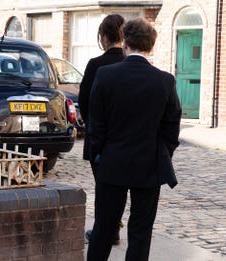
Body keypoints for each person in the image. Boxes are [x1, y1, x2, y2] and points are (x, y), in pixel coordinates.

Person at [86, 18, 182, 260]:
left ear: (126, 43)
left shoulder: (106, 75)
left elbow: (96, 125)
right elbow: (172, 128)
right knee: (141, 231)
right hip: (148, 165)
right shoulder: (164, 80)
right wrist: (161, 153)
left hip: (112, 162)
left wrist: (99, 157)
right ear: (151, 47)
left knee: (104, 228)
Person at [78, 13, 126, 245]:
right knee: (122, 188)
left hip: (100, 138)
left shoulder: (96, 65)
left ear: (104, 37)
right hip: (127, 137)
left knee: (104, 188)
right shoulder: (132, 63)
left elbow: (85, 102)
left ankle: (103, 232)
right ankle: (113, 229)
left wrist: (92, 125)